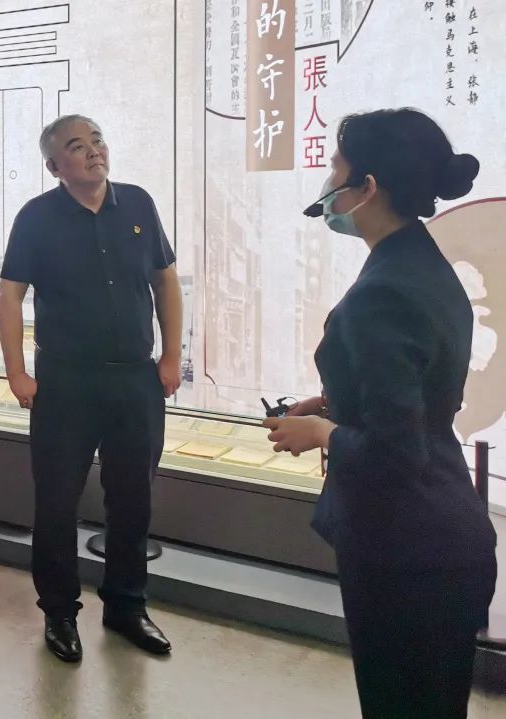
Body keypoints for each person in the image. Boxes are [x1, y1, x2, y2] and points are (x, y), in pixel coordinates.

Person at [265, 108, 498, 719]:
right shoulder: (419, 261)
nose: (327, 181)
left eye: (335, 167)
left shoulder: (383, 293)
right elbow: (418, 388)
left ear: (367, 187)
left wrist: (321, 432)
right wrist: (332, 403)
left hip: (408, 551)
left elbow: (396, 453)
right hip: (442, 539)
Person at [0, 115, 183, 663]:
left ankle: (126, 605)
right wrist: (16, 372)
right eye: (77, 147)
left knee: (133, 497)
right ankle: (59, 611)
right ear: (54, 166)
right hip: (66, 382)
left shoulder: (138, 204)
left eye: (97, 140)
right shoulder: (36, 217)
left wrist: (172, 355)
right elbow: (10, 296)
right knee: (57, 501)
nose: (93, 151)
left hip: (135, 378)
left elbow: (165, 280)